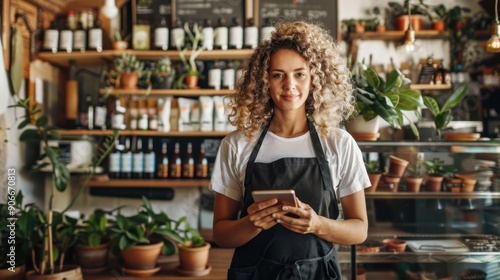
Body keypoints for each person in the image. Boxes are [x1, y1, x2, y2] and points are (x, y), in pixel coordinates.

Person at [209, 20, 370, 279]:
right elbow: (221, 234)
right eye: (278, 75)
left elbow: (359, 230)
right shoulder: (238, 144)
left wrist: (317, 224)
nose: (289, 85)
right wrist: (251, 224)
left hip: (318, 273)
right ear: (264, 82)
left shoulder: (339, 143)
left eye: (299, 74)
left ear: (315, 79)